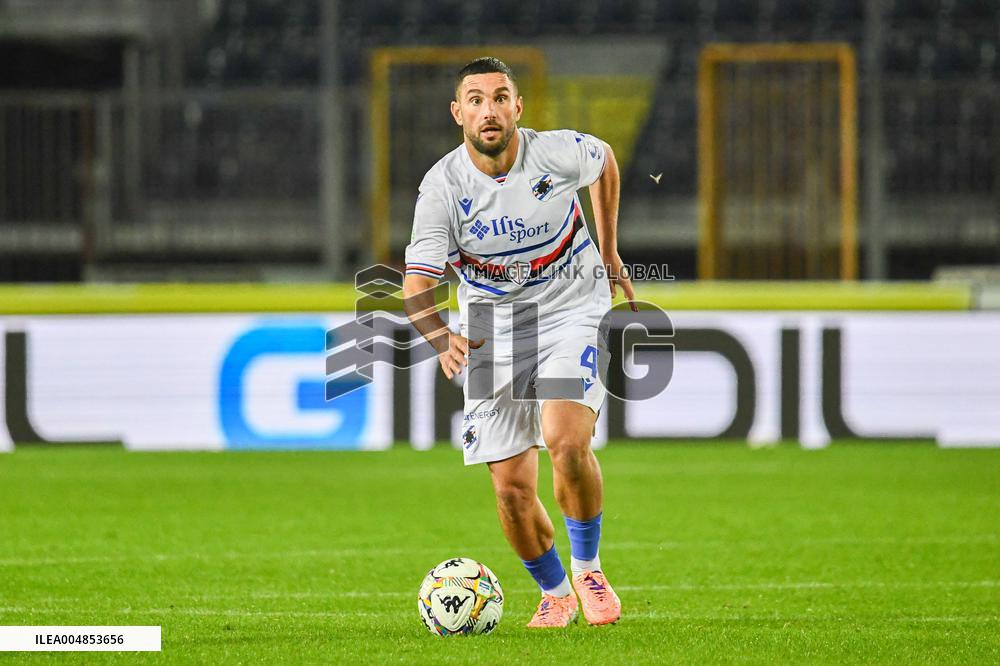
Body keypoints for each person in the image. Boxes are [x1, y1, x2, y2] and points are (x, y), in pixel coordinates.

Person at [402, 56, 636, 628]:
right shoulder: (442, 186)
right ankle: (555, 592)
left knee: (565, 438)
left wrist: (606, 249)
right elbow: (415, 286)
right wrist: (440, 338)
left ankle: (589, 568)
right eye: (476, 99)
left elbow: (603, 160)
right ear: (458, 113)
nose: (490, 109)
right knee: (510, 487)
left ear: (517, 107)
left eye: (501, 97)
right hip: (491, 327)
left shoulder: (552, 152)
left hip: (571, 305)